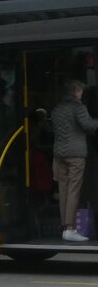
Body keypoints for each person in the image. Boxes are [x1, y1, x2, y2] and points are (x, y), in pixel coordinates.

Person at [50, 79, 98, 242]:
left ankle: (65, 227)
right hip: (76, 154)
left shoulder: (57, 109)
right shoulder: (78, 107)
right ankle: (71, 228)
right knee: (74, 190)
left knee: (63, 190)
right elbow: (88, 126)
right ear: (77, 92)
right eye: (81, 92)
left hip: (58, 155)